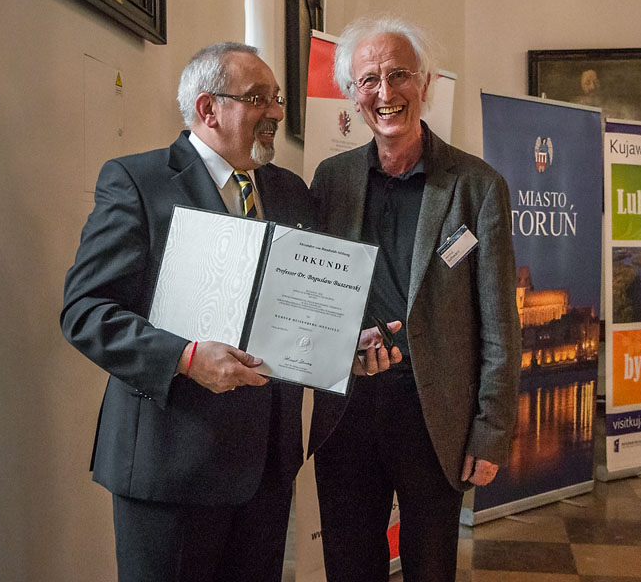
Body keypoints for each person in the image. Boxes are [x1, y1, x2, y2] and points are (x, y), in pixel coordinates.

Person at [60, 42, 395, 582]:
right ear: (208, 109)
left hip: (266, 470)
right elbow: (85, 312)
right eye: (259, 98)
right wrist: (186, 357)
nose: (277, 112)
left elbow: (292, 308)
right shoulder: (138, 182)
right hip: (170, 467)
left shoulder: (289, 191)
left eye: (277, 98)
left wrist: (338, 347)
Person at [307, 16, 522, 582]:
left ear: (424, 84)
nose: (385, 92)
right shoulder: (331, 180)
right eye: (368, 80)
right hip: (348, 409)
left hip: (435, 417)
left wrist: (490, 431)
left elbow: (500, 323)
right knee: (349, 566)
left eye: (398, 75)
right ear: (352, 94)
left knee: (430, 567)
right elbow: (312, 295)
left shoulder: (477, 186)